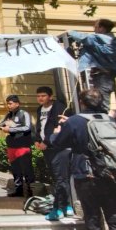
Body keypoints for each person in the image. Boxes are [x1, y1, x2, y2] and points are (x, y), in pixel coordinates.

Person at [51, 89, 116, 230]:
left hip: (87, 175)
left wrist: (57, 132)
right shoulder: (110, 120)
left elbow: (58, 143)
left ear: (82, 102)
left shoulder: (74, 121)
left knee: (93, 218)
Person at [68, 19, 116, 112]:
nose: (94, 29)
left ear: (102, 28)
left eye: (95, 27)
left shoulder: (98, 38)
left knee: (100, 107)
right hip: (108, 78)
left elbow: (83, 37)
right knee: (101, 105)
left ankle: (103, 123)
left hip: (100, 78)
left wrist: (69, 32)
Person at [33, 86, 74, 220]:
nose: (40, 98)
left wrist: (47, 142)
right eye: (38, 96)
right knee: (55, 177)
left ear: (50, 96)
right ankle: (64, 205)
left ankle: (64, 206)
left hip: (58, 147)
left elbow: (59, 128)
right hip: (46, 148)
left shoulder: (59, 107)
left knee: (61, 177)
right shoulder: (40, 109)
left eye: (43, 95)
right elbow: (40, 127)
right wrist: (37, 140)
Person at [0, 95, 35, 197]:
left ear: (17, 103)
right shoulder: (8, 115)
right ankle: (18, 190)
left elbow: (27, 127)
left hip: (23, 145)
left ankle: (31, 192)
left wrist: (12, 127)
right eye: (7, 104)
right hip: (12, 146)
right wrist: (6, 124)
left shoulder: (24, 114)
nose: (8, 106)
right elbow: (0, 125)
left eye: (10, 103)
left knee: (27, 169)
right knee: (15, 170)